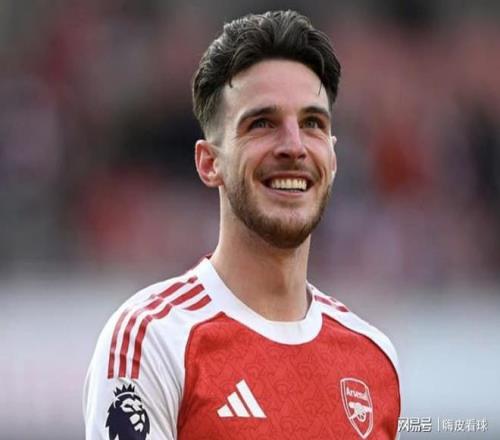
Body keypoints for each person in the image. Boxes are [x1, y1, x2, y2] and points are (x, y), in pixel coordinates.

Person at [84, 10, 400, 440]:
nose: (294, 146)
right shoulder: (154, 340)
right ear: (209, 162)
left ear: (333, 157)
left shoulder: (374, 359)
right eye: (262, 123)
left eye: (312, 124)